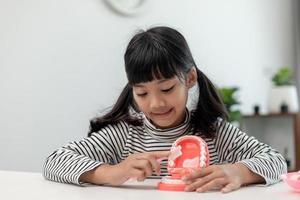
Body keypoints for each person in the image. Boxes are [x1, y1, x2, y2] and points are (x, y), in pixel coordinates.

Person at [43, 26, 287, 193]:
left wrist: (239, 172)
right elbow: (55, 161)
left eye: (167, 88)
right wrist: (110, 173)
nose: (156, 103)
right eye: (142, 93)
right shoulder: (123, 134)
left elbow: (276, 161)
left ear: (189, 78)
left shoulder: (215, 133)